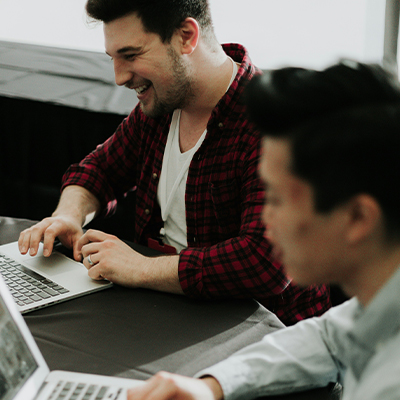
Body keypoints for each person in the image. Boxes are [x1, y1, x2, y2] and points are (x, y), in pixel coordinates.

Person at [17, 0, 330, 326]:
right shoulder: (162, 105)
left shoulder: (276, 125)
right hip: (170, 312)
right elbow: (100, 170)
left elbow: (264, 262)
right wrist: (67, 216)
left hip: (262, 338)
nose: (119, 77)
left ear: (186, 36)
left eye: (131, 55)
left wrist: (139, 267)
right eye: (113, 58)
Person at [125, 61, 400, 400]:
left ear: (358, 218)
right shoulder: (380, 300)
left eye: (278, 198)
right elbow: (328, 338)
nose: (264, 219)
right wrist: (211, 387)